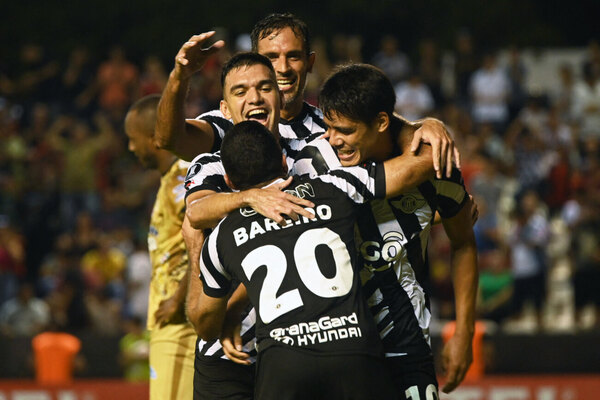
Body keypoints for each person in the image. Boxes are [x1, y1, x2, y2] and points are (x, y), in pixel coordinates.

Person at [195, 120, 434, 399]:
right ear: (284, 163)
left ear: (229, 182)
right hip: (353, 354)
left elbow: (204, 325)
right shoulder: (337, 185)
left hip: (283, 368)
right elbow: (420, 165)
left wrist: (229, 314)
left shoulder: (220, 236)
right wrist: (423, 127)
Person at [315, 64, 478, 396]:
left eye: (344, 130)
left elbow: (463, 243)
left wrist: (464, 331)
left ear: (381, 123)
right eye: (329, 127)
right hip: (336, 345)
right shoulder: (319, 161)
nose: (333, 140)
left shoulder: (439, 169)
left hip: (408, 342)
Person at [124, 94, 195, 399]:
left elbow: (210, 234)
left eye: (133, 139)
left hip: (181, 327)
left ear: (154, 138)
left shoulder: (183, 176)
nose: (130, 147)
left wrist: (178, 299)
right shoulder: (171, 179)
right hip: (172, 323)